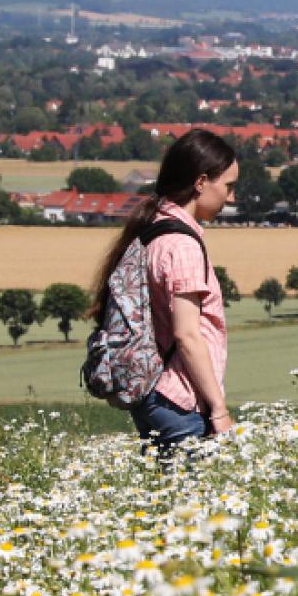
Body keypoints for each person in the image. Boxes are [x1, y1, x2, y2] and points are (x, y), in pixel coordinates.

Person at [87, 129, 239, 455]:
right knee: (190, 502)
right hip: (178, 400)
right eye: (228, 186)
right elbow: (187, 335)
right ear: (201, 183)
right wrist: (219, 409)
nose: (231, 198)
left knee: (166, 496)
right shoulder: (182, 245)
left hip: (155, 396)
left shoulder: (152, 228)